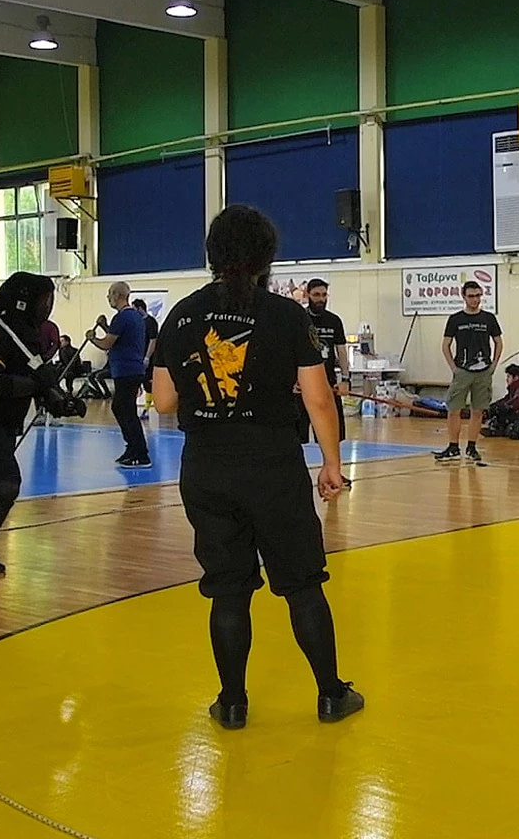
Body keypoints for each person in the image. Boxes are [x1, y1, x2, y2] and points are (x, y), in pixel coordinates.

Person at [151, 205, 363, 730]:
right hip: (273, 467)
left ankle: (232, 703)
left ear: (212, 254)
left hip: (206, 467)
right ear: (267, 257)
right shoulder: (287, 316)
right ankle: (331, 694)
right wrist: (331, 463)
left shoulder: (181, 315)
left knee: (227, 589)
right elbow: (318, 399)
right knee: (302, 583)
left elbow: (163, 401)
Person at [0, 273, 86, 573]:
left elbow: (36, 376)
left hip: (8, 419)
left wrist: (62, 402)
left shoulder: (28, 334)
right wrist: (35, 385)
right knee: (7, 482)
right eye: (43, 300)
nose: (47, 306)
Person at [434, 281, 503, 463]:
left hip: (484, 371)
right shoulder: (455, 319)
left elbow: (498, 342)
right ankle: (453, 447)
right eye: (471, 296)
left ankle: (472, 447)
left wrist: (494, 365)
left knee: (478, 410)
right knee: (453, 409)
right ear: (463, 296)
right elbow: (446, 345)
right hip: (462, 371)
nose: (475, 300)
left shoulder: (489, 318)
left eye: (478, 296)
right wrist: (453, 368)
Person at [86, 281, 150, 469]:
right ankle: (132, 448)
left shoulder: (121, 317)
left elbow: (107, 343)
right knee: (120, 408)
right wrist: (105, 326)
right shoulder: (135, 317)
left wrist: (92, 338)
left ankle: (140, 453)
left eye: (110, 294)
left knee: (126, 410)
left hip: (126, 370)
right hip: (131, 369)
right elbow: (119, 338)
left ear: (117, 295)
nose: (108, 297)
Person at [296, 278, 350, 458]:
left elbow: (341, 351)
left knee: (332, 434)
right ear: (307, 295)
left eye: (324, 295)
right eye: (316, 295)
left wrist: (345, 379)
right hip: (303, 386)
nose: (321, 299)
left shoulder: (334, 321)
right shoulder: (300, 319)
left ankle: (333, 466)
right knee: (297, 435)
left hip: (329, 385)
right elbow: (289, 350)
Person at [131, 298, 159, 420]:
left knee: (148, 383)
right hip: (137, 357)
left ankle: (146, 409)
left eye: (134, 309)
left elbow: (153, 340)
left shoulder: (151, 322)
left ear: (140, 308)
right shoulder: (136, 322)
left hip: (149, 358)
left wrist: (147, 357)